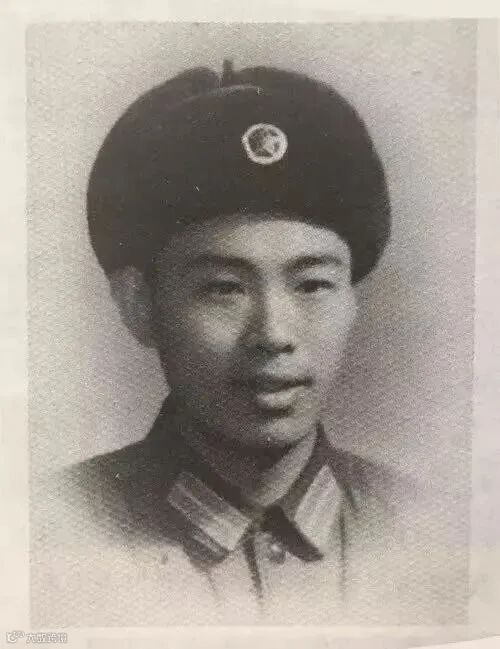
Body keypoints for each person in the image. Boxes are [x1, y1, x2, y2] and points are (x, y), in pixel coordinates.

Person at [32, 61, 459, 626]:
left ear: (353, 301)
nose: (274, 335)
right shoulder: (44, 540)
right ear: (139, 306)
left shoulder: (443, 537)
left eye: (312, 285)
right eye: (223, 289)